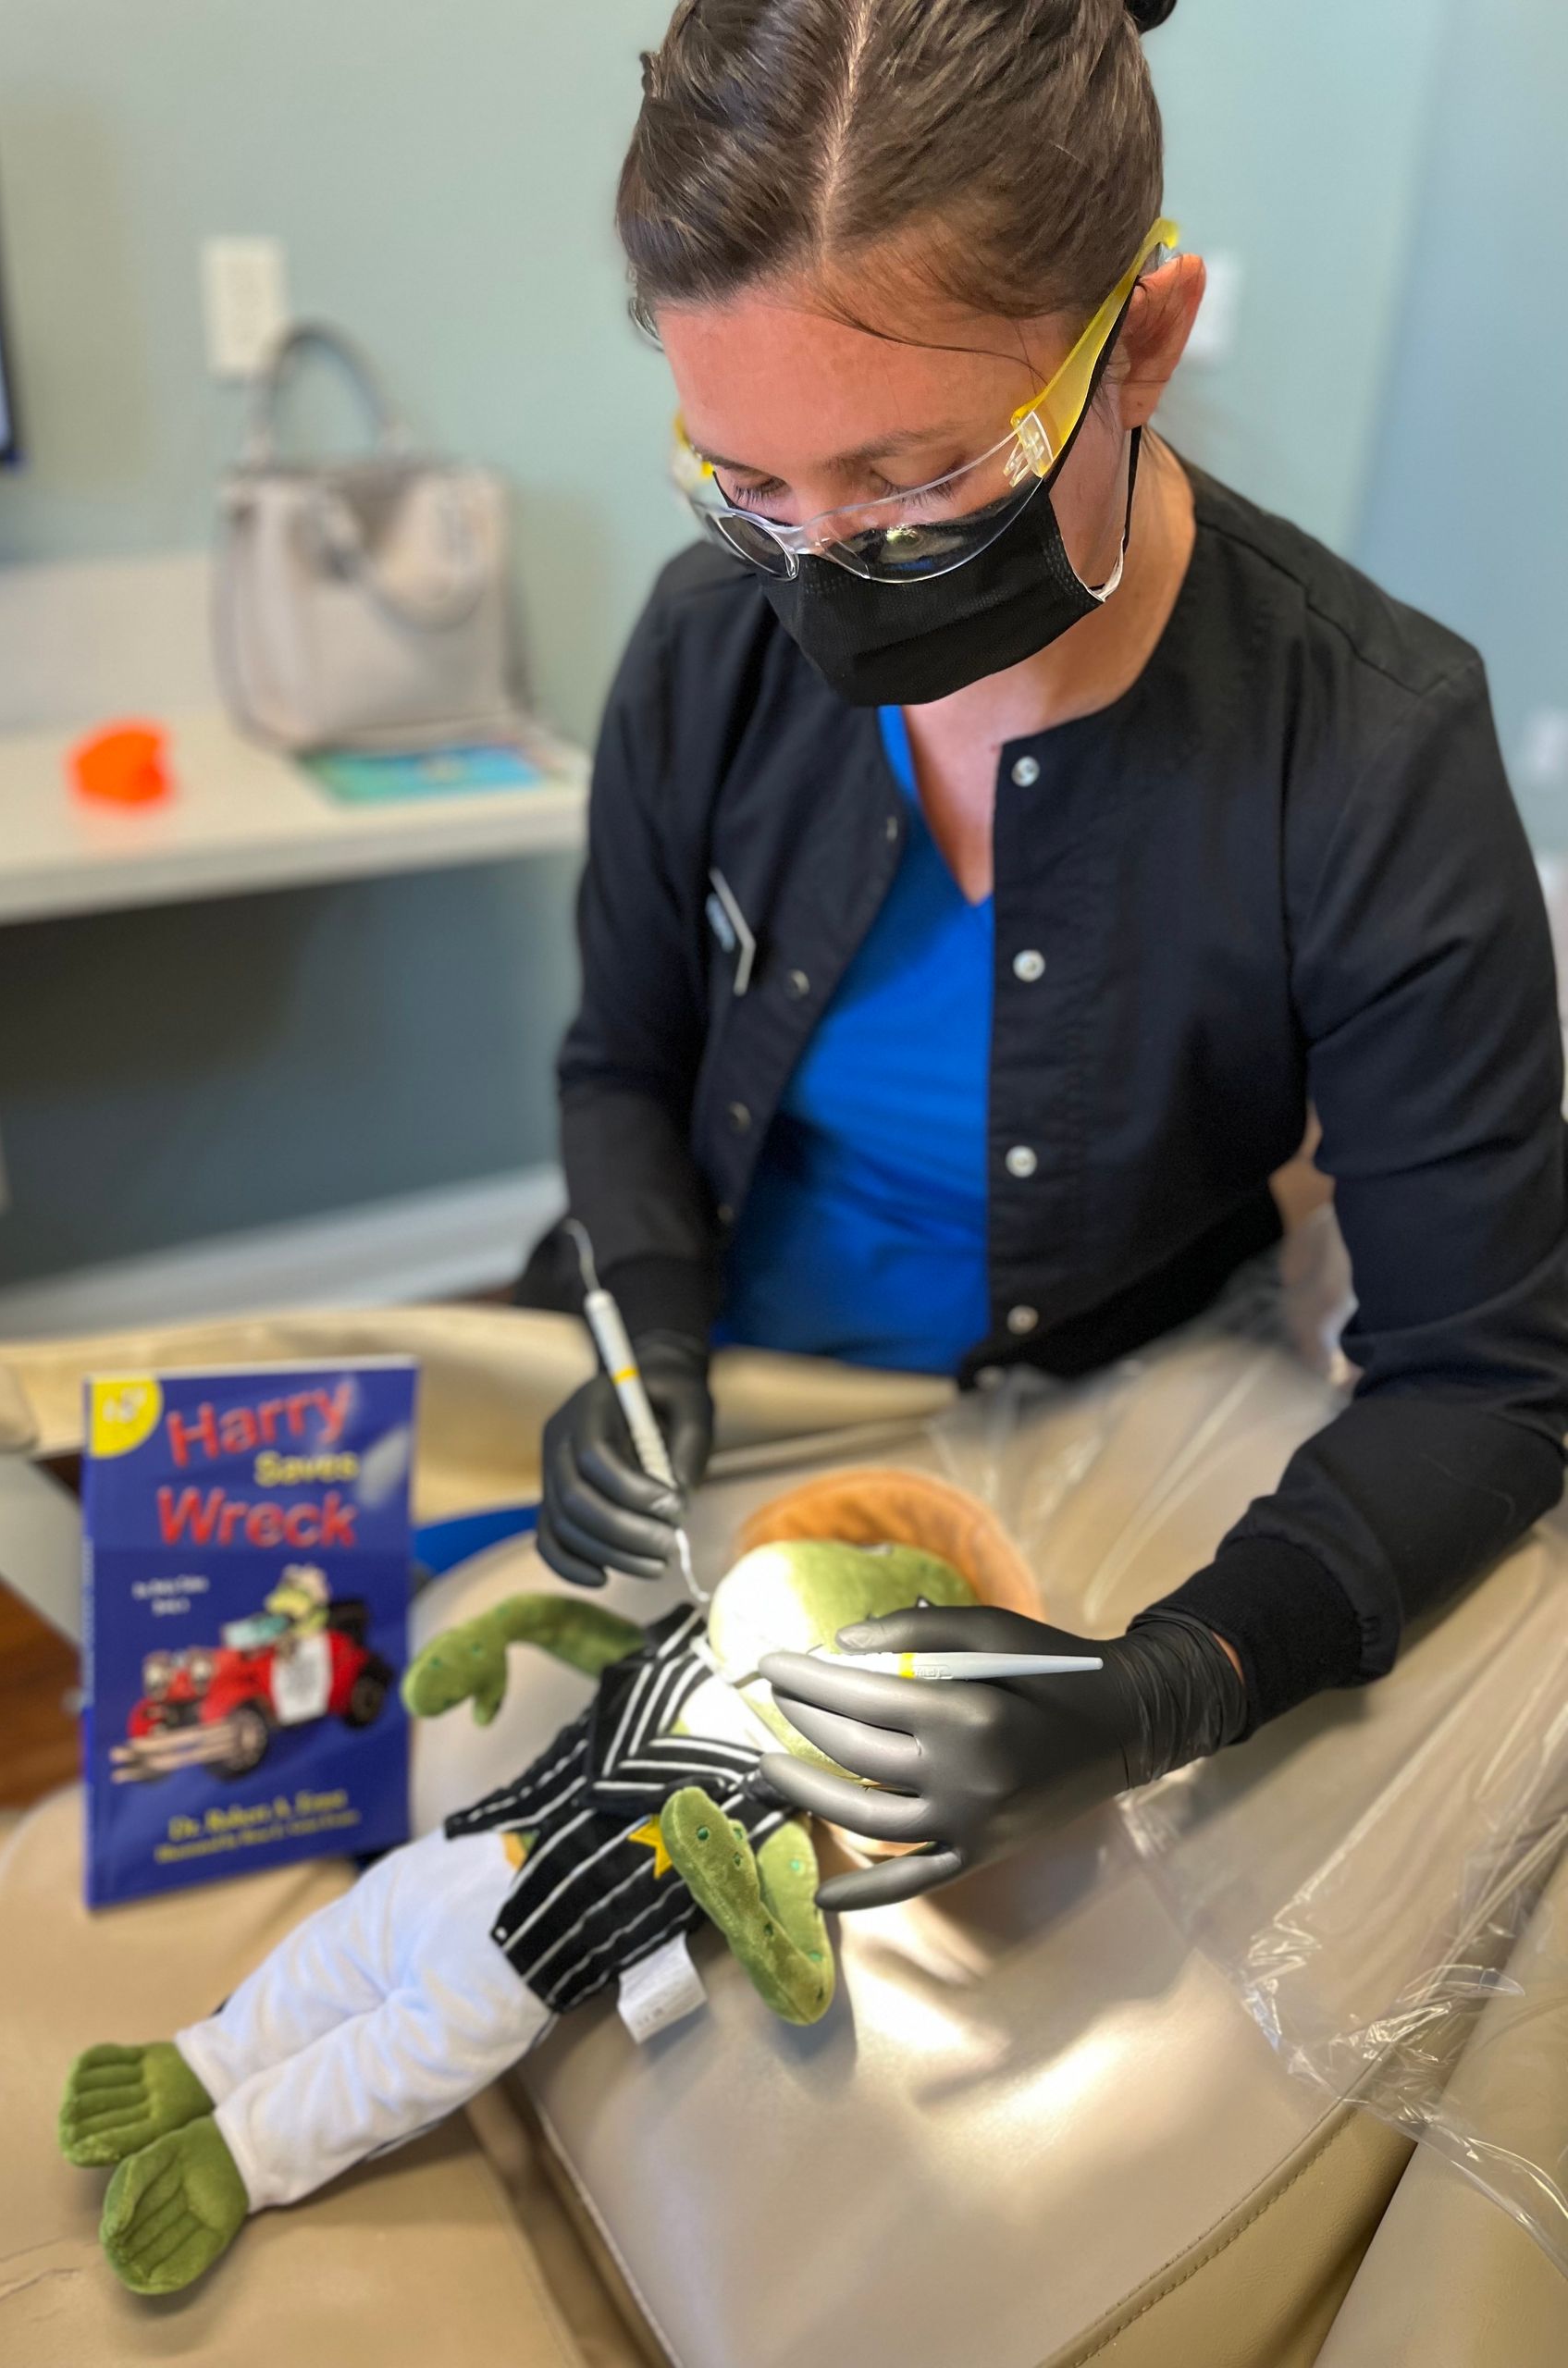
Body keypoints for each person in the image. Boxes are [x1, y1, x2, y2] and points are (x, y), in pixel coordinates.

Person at [525, 0, 1568, 1906]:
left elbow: (1487, 1376)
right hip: (722, 1397)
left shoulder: (1365, 747)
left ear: (1144, 341)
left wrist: (1170, 1680)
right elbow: (616, 1064)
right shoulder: (707, 647)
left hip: (1080, 1408)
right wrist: (650, 1312)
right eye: (752, 486)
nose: (819, 567)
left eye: (920, 482)